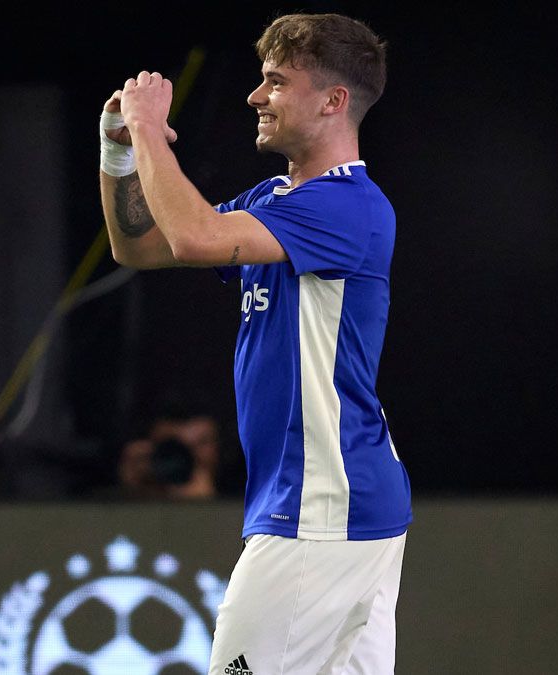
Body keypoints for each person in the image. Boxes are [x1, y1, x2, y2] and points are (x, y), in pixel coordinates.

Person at [98, 12, 411, 674]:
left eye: (275, 81)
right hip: (343, 510)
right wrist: (120, 151)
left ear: (333, 101)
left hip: (319, 513)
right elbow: (142, 245)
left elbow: (193, 236)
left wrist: (152, 128)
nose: (254, 96)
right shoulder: (275, 199)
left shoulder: (349, 206)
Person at [117, 406, 221, 500]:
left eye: (201, 442)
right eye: (170, 446)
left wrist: (203, 504)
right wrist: (130, 492)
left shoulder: (234, 491)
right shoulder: (142, 476)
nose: (183, 455)